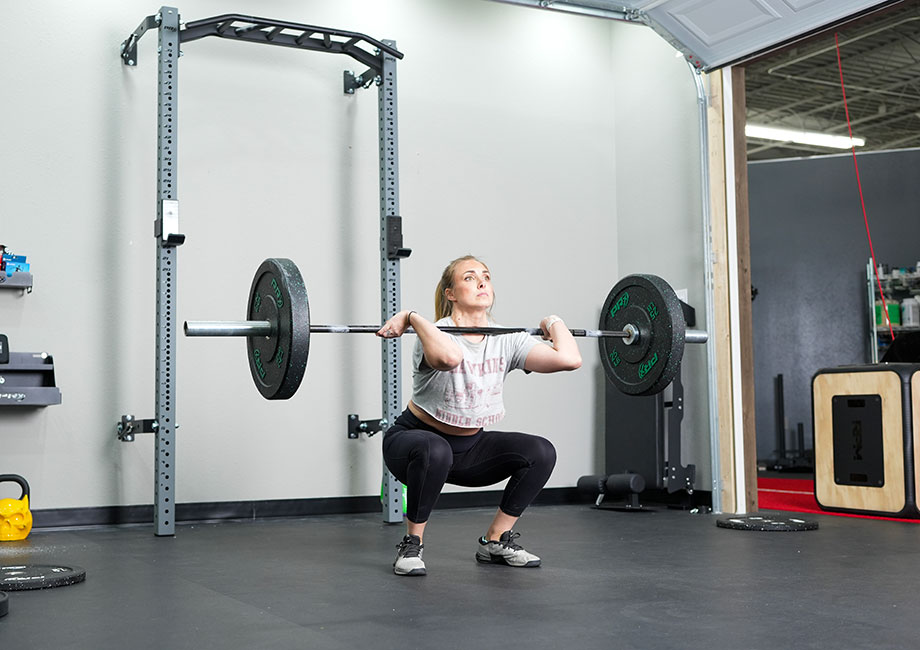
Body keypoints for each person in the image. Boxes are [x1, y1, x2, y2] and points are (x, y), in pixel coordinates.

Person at [376, 255, 582, 576]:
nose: (482, 281)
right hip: (411, 444)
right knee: (435, 450)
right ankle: (411, 543)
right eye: (469, 277)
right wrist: (413, 317)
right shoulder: (435, 332)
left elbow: (569, 359)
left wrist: (553, 322)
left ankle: (494, 541)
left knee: (540, 452)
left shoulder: (508, 339)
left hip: (470, 450)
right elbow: (448, 357)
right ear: (451, 293)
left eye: (486, 276)